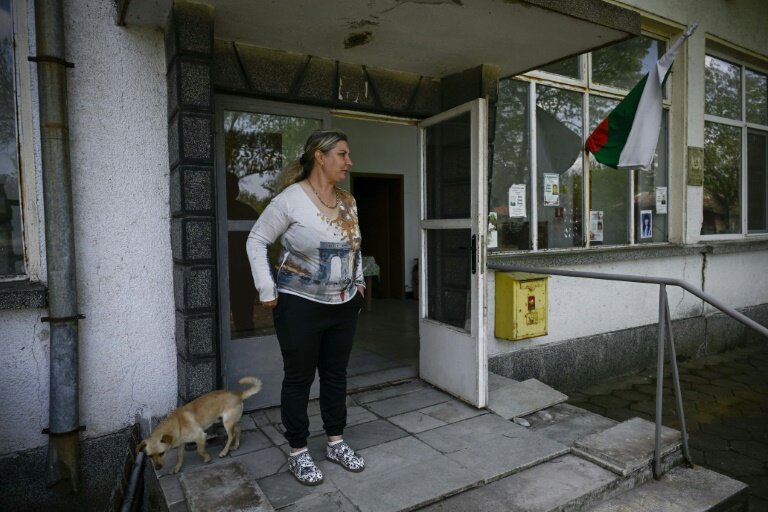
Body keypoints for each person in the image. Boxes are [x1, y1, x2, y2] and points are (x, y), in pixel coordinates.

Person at [246, 129, 366, 486]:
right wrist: (266, 288)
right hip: (300, 305)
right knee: (299, 378)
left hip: (343, 304)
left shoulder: (348, 201)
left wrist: (358, 284)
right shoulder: (290, 200)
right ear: (320, 155)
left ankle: (335, 441)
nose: (349, 161)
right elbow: (256, 239)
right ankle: (298, 451)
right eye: (342, 154)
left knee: (335, 374)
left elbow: (354, 245)